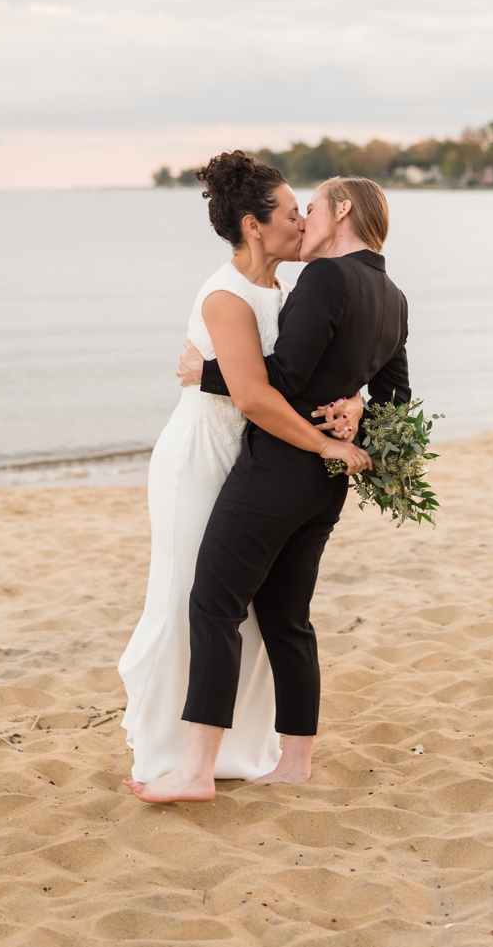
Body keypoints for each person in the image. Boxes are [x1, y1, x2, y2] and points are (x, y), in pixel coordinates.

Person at [124, 175, 408, 803]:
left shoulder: (324, 279)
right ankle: (294, 761)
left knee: (214, 606)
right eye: (293, 212)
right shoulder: (395, 296)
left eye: (311, 208)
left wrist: (209, 372)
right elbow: (397, 401)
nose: (304, 220)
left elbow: (282, 377)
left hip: (277, 469)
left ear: (341, 210)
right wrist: (356, 413)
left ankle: (195, 769)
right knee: (287, 616)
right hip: (324, 485)